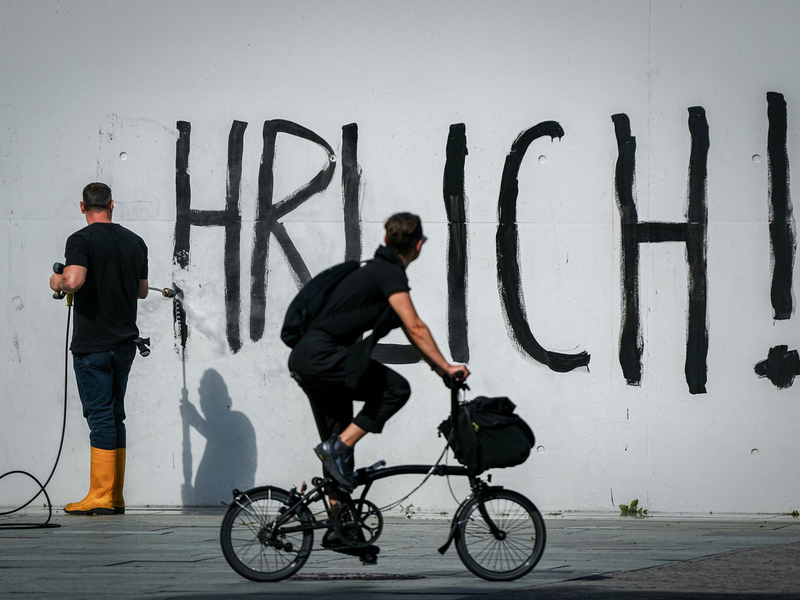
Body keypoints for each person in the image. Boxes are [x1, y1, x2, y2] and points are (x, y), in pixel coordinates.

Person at [288, 212, 470, 491]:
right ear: (418, 245)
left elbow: (411, 333)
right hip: (323, 357)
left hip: (312, 359)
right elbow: (417, 327)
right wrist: (448, 367)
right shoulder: (388, 274)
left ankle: (339, 532)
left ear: (385, 238)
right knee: (396, 390)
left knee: (339, 466)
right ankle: (338, 447)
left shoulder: (373, 271)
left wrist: (439, 370)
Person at [49, 182, 148, 515]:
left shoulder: (81, 239)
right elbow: (142, 291)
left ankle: (101, 496)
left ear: (82, 207)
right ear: (112, 205)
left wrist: (58, 282)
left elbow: (74, 280)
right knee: (115, 416)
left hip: (93, 345)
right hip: (124, 345)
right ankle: (114, 495)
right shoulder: (135, 241)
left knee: (100, 417)